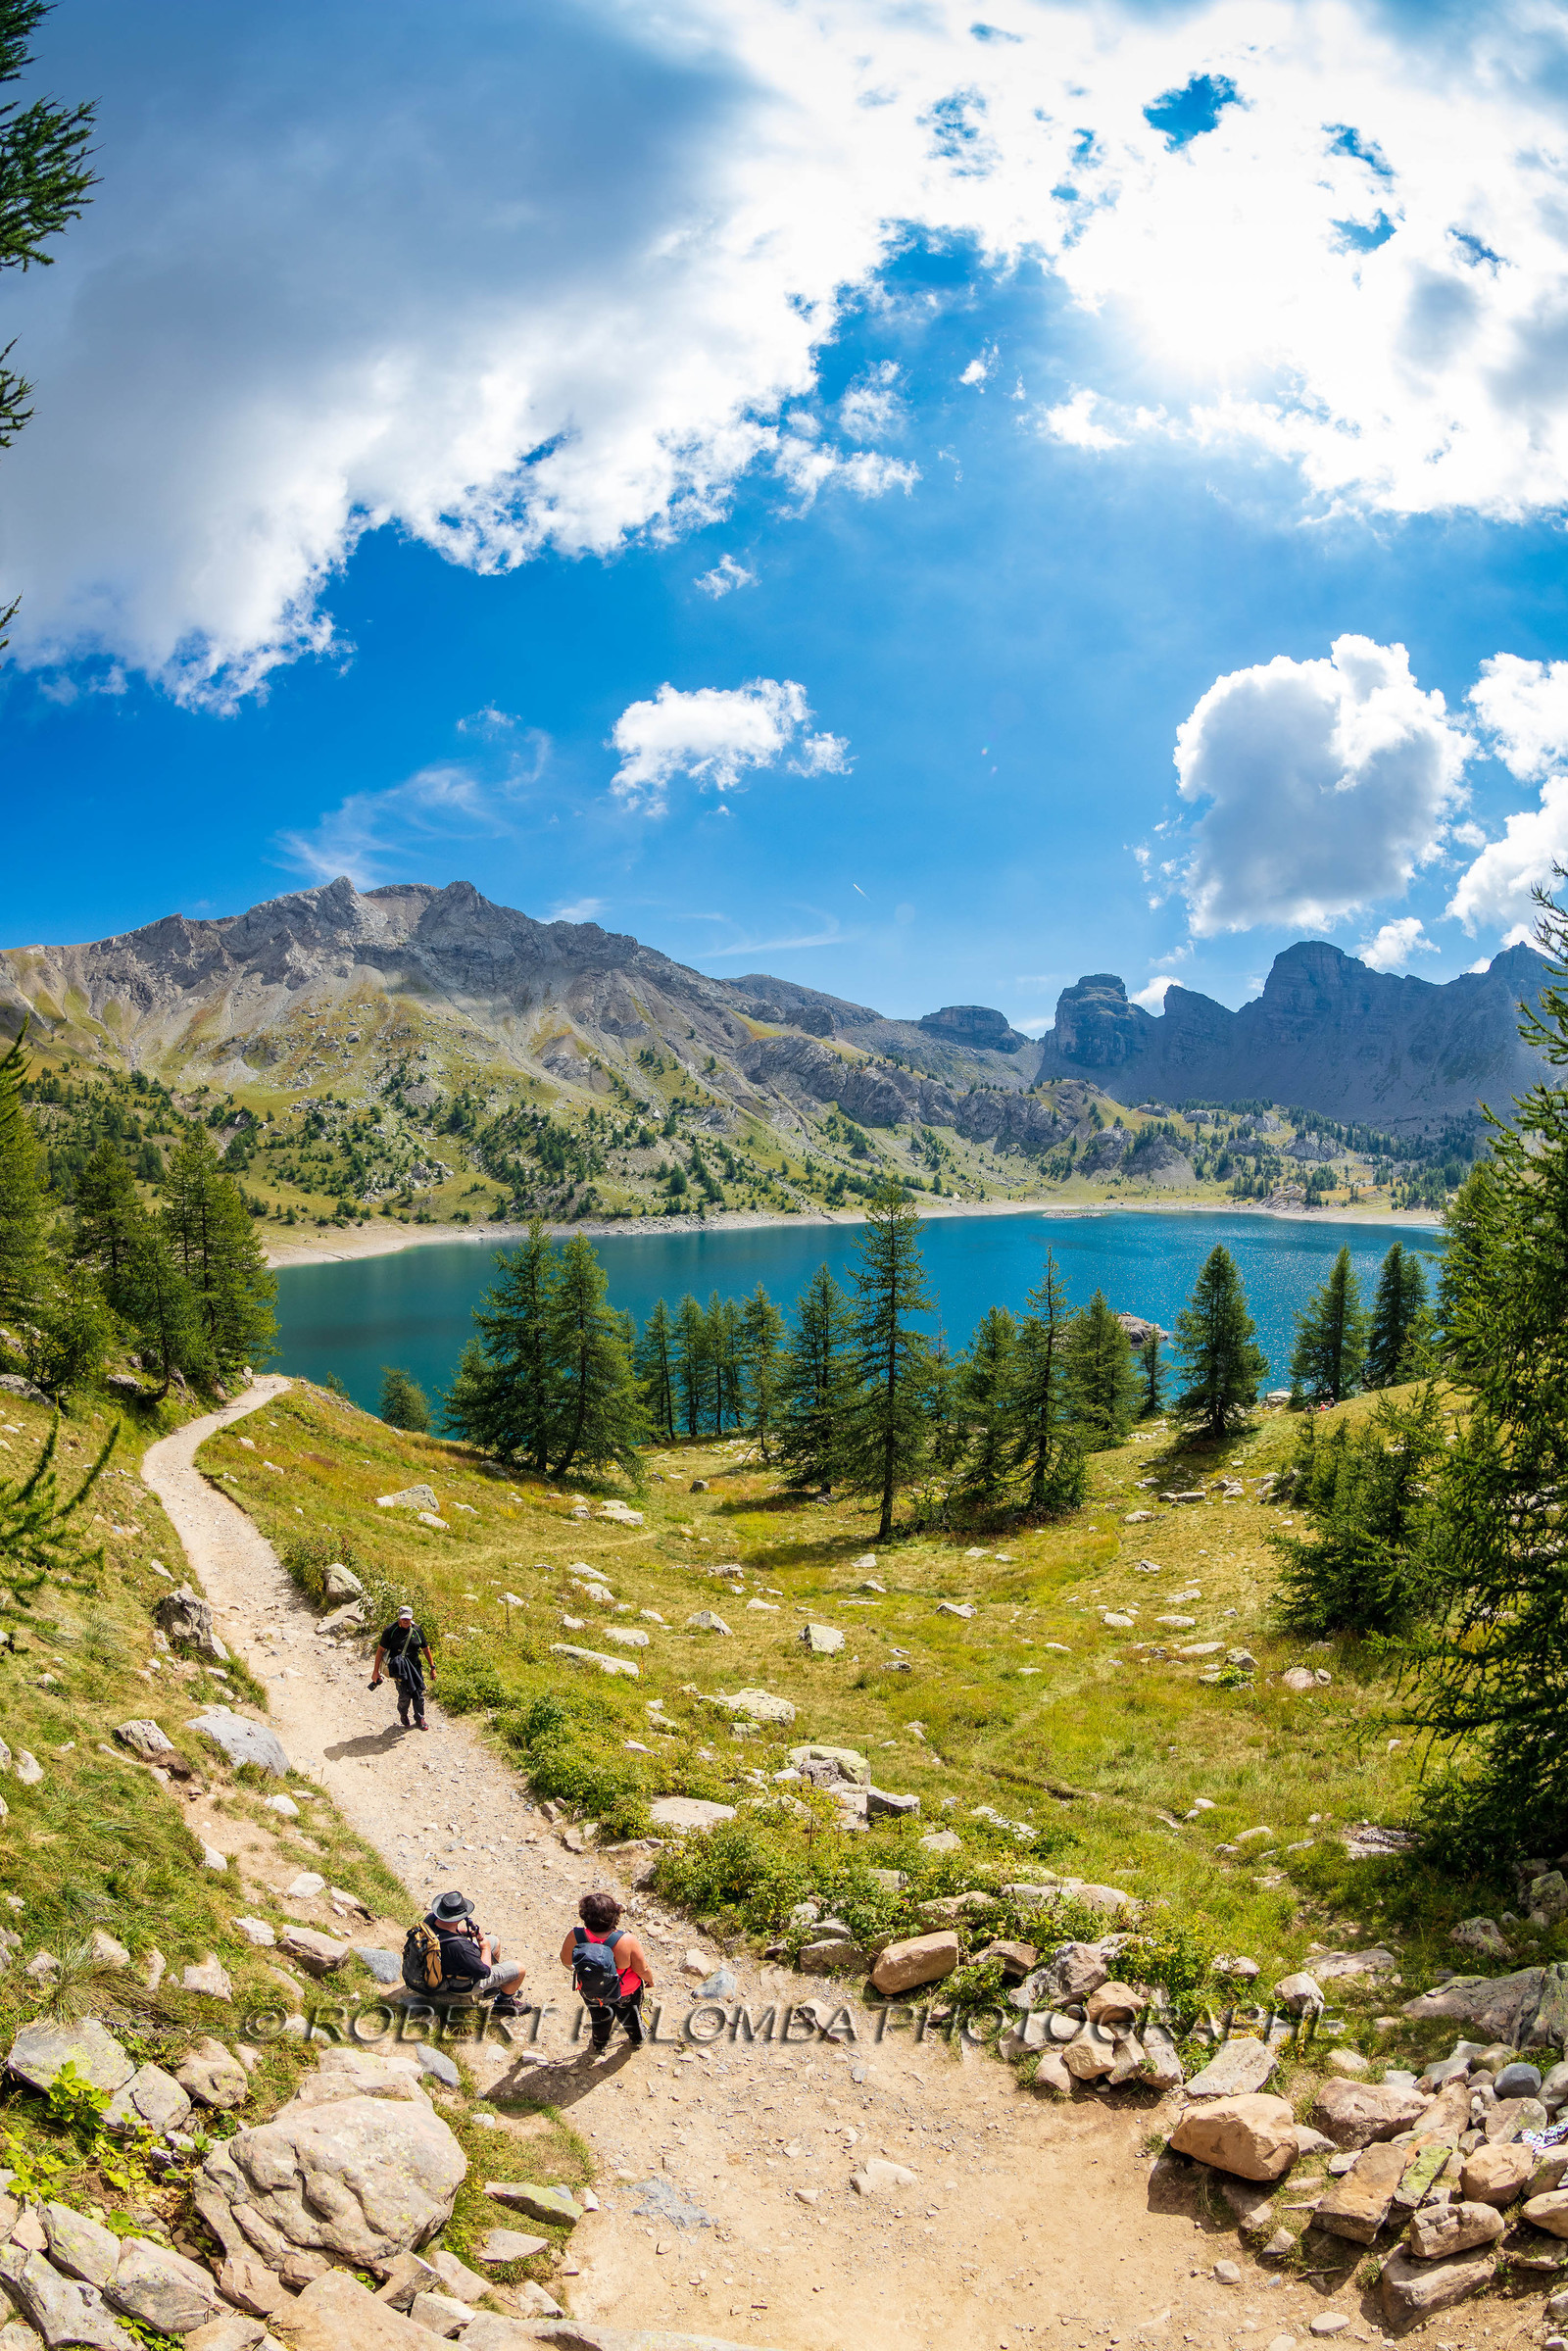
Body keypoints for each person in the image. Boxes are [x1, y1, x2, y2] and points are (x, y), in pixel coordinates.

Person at [404, 1888, 526, 2017]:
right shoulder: (459, 1947)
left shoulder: (431, 1920)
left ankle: (491, 1989)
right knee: (519, 1969)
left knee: (495, 1941)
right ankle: (503, 2003)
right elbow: (484, 1972)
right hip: (458, 1984)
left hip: (438, 1965)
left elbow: (446, 1931)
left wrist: (465, 1933)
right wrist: (485, 1948)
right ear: (459, 1917)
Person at [558, 1888, 651, 2055]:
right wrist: (650, 1981)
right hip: (625, 1991)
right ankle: (637, 2039)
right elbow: (642, 1969)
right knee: (630, 2016)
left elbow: (566, 1961)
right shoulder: (627, 1940)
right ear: (615, 1916)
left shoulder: (575, 1936)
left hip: (592, 1990)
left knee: (599, 2017)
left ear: (585, 1916)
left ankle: (600, 2043)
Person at [372, 1605, 433, 1730]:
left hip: (415, 1667)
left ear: (411, 1618)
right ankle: (403, 1713)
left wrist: (433, 1667)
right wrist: (375, 1672)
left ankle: (420, 1718)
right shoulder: (391, 1630)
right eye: (403, 1618)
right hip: (399, 1668)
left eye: (408, 1618)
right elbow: (380, 1651)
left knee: (418, 1693)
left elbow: (426, 1649)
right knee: (404, 1695)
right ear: (399, 1618)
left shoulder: (417, 1630)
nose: (406, 1621)